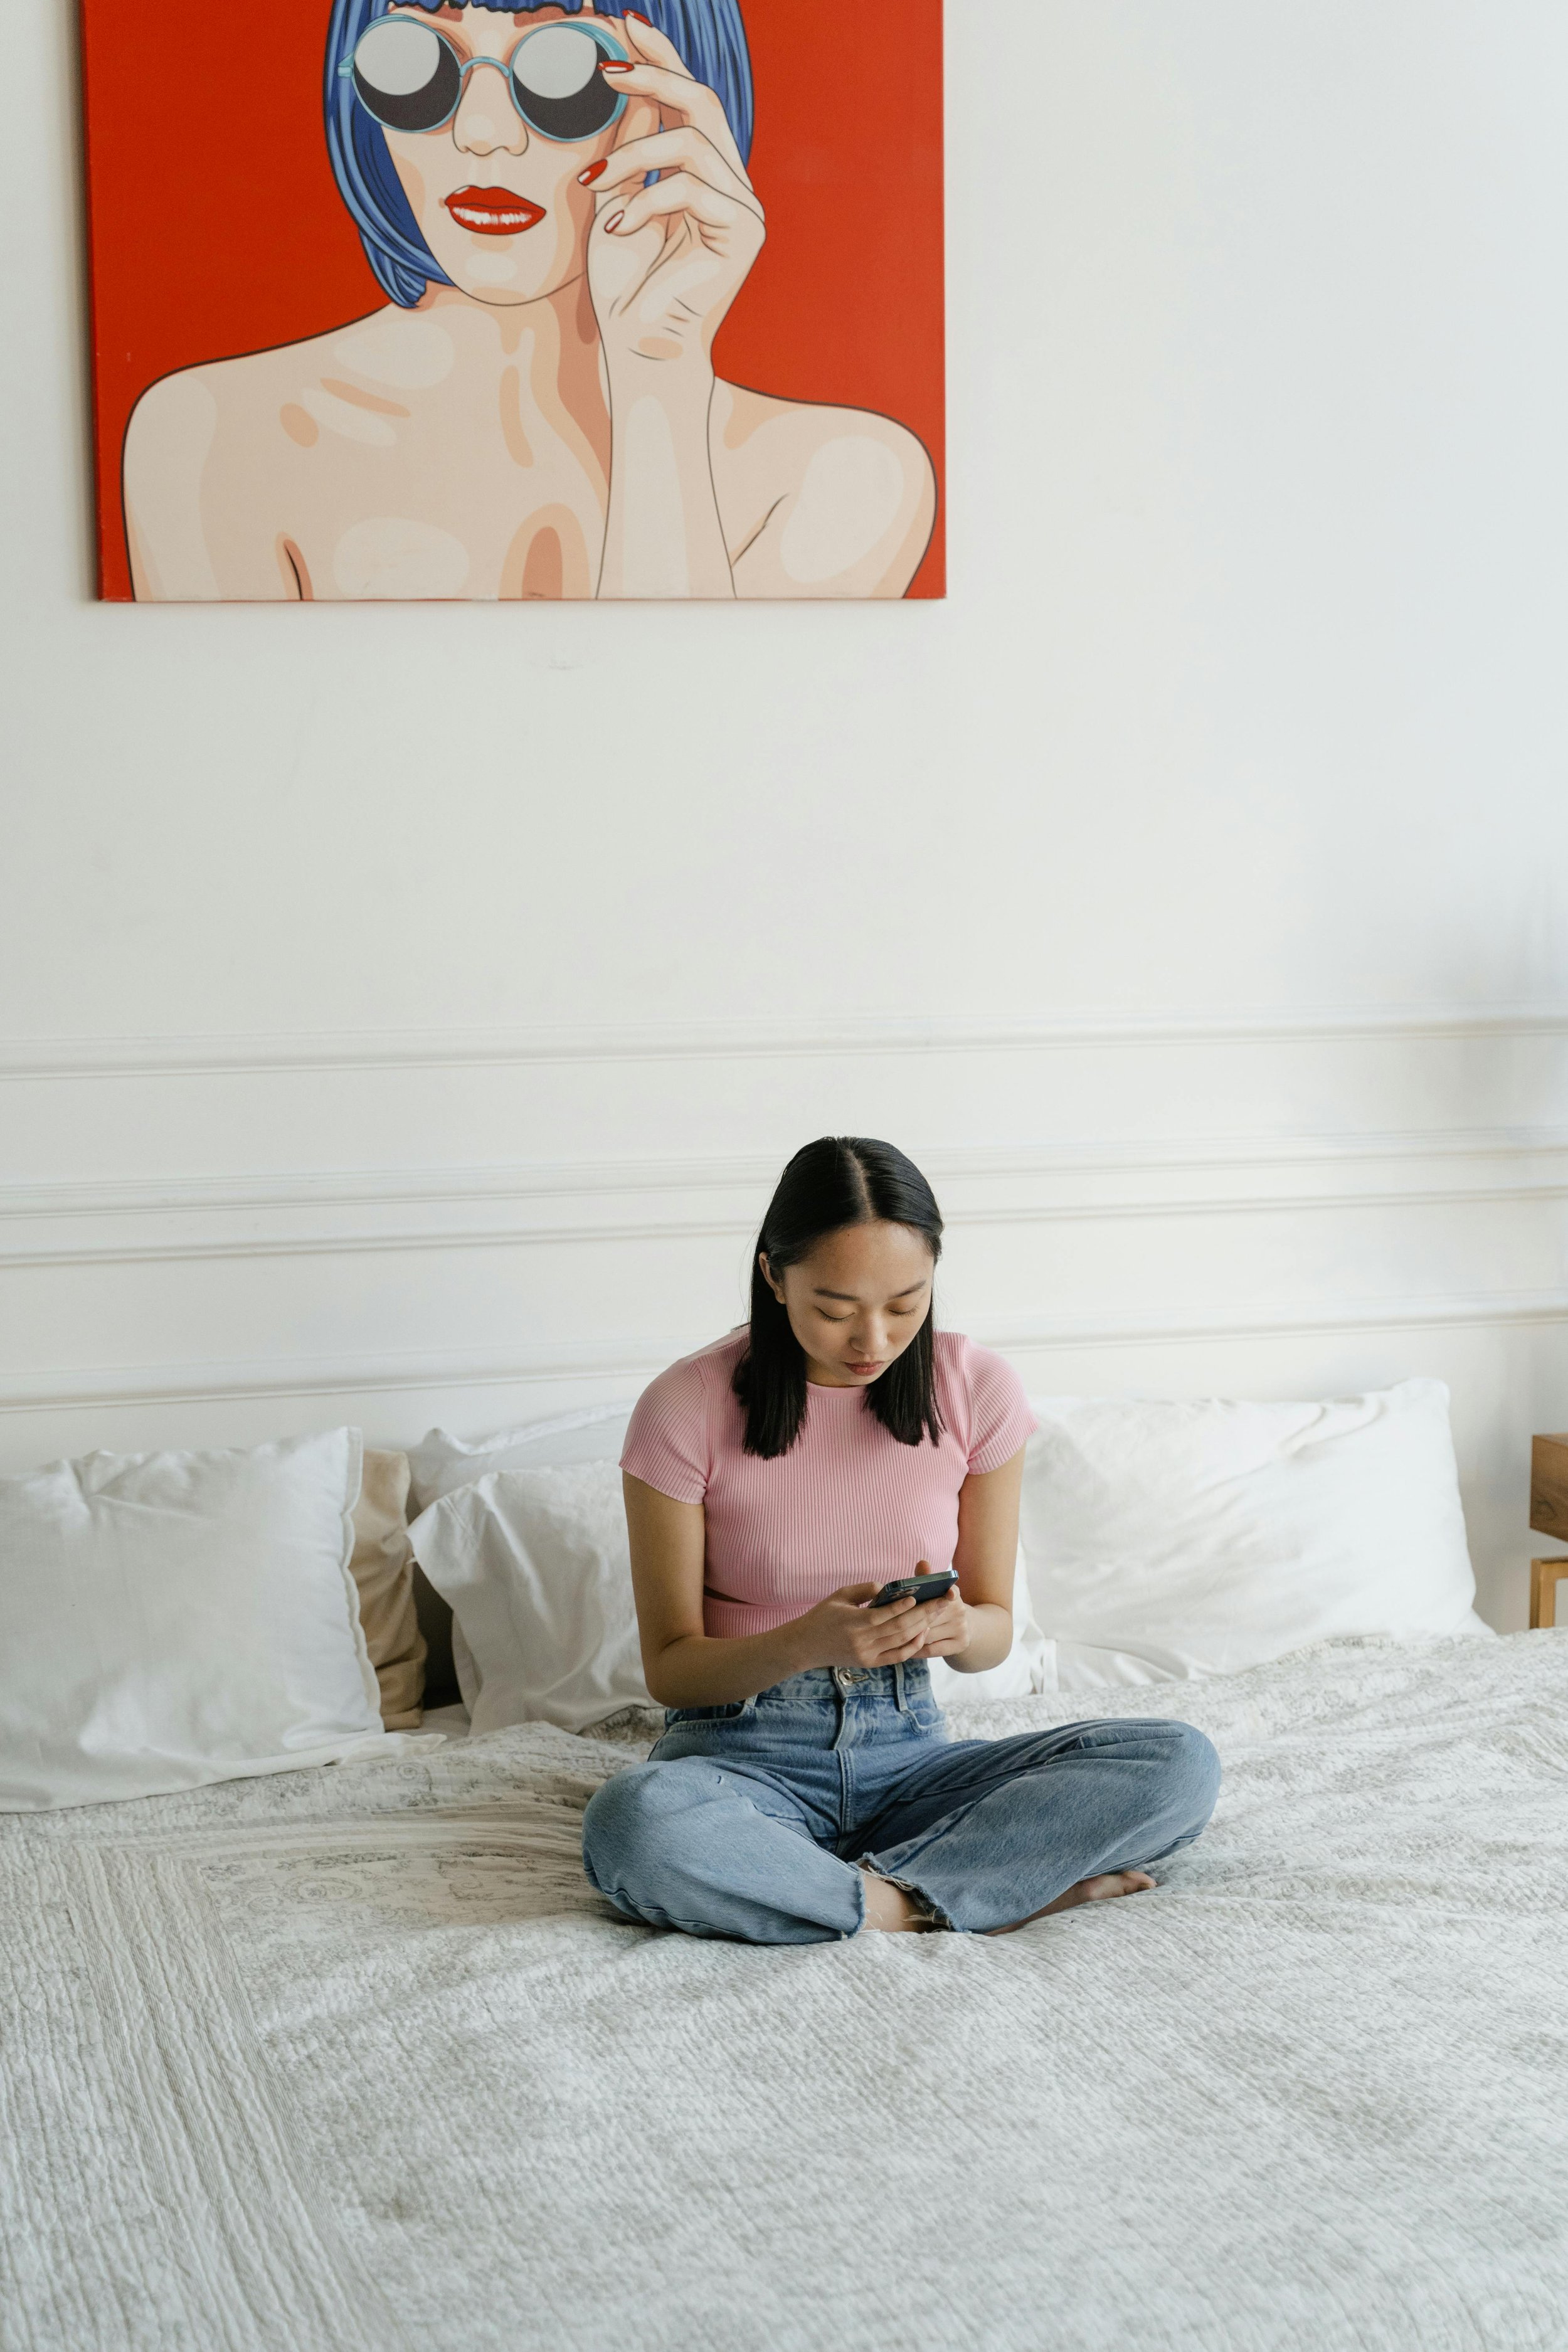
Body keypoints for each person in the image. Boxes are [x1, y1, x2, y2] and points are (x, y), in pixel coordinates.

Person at [581, 1136, 1221, 1942]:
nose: (873, 1342)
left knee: (1175, 1761)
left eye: (903, 1305)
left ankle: (848, 1894)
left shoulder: (974, 1387)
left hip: (911, 1758)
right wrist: (809, 1640)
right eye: (834, 1309)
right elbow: (672, 1669)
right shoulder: (686, 1404)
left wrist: (961, 1627)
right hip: (739, 1758)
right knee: (632, 1822)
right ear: (774, 1276)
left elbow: (988, 1639)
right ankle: (937, 1899)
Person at [123, 0, 936, 600]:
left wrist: (659, 380)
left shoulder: (843, 477)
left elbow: (690, 757)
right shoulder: (212, 439)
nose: (484, 132)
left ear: (683, 96)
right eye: (415, 68)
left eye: (564, 75)